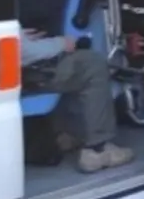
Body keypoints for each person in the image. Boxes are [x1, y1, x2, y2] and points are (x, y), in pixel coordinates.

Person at [21, 33, 135, 172]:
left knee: (72, 67)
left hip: (10, 73)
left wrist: (23, 36)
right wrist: (61, 43)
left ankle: (65, 134)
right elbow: (23, 52)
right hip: (25, 74)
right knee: (92, 64)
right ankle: (97, 149)